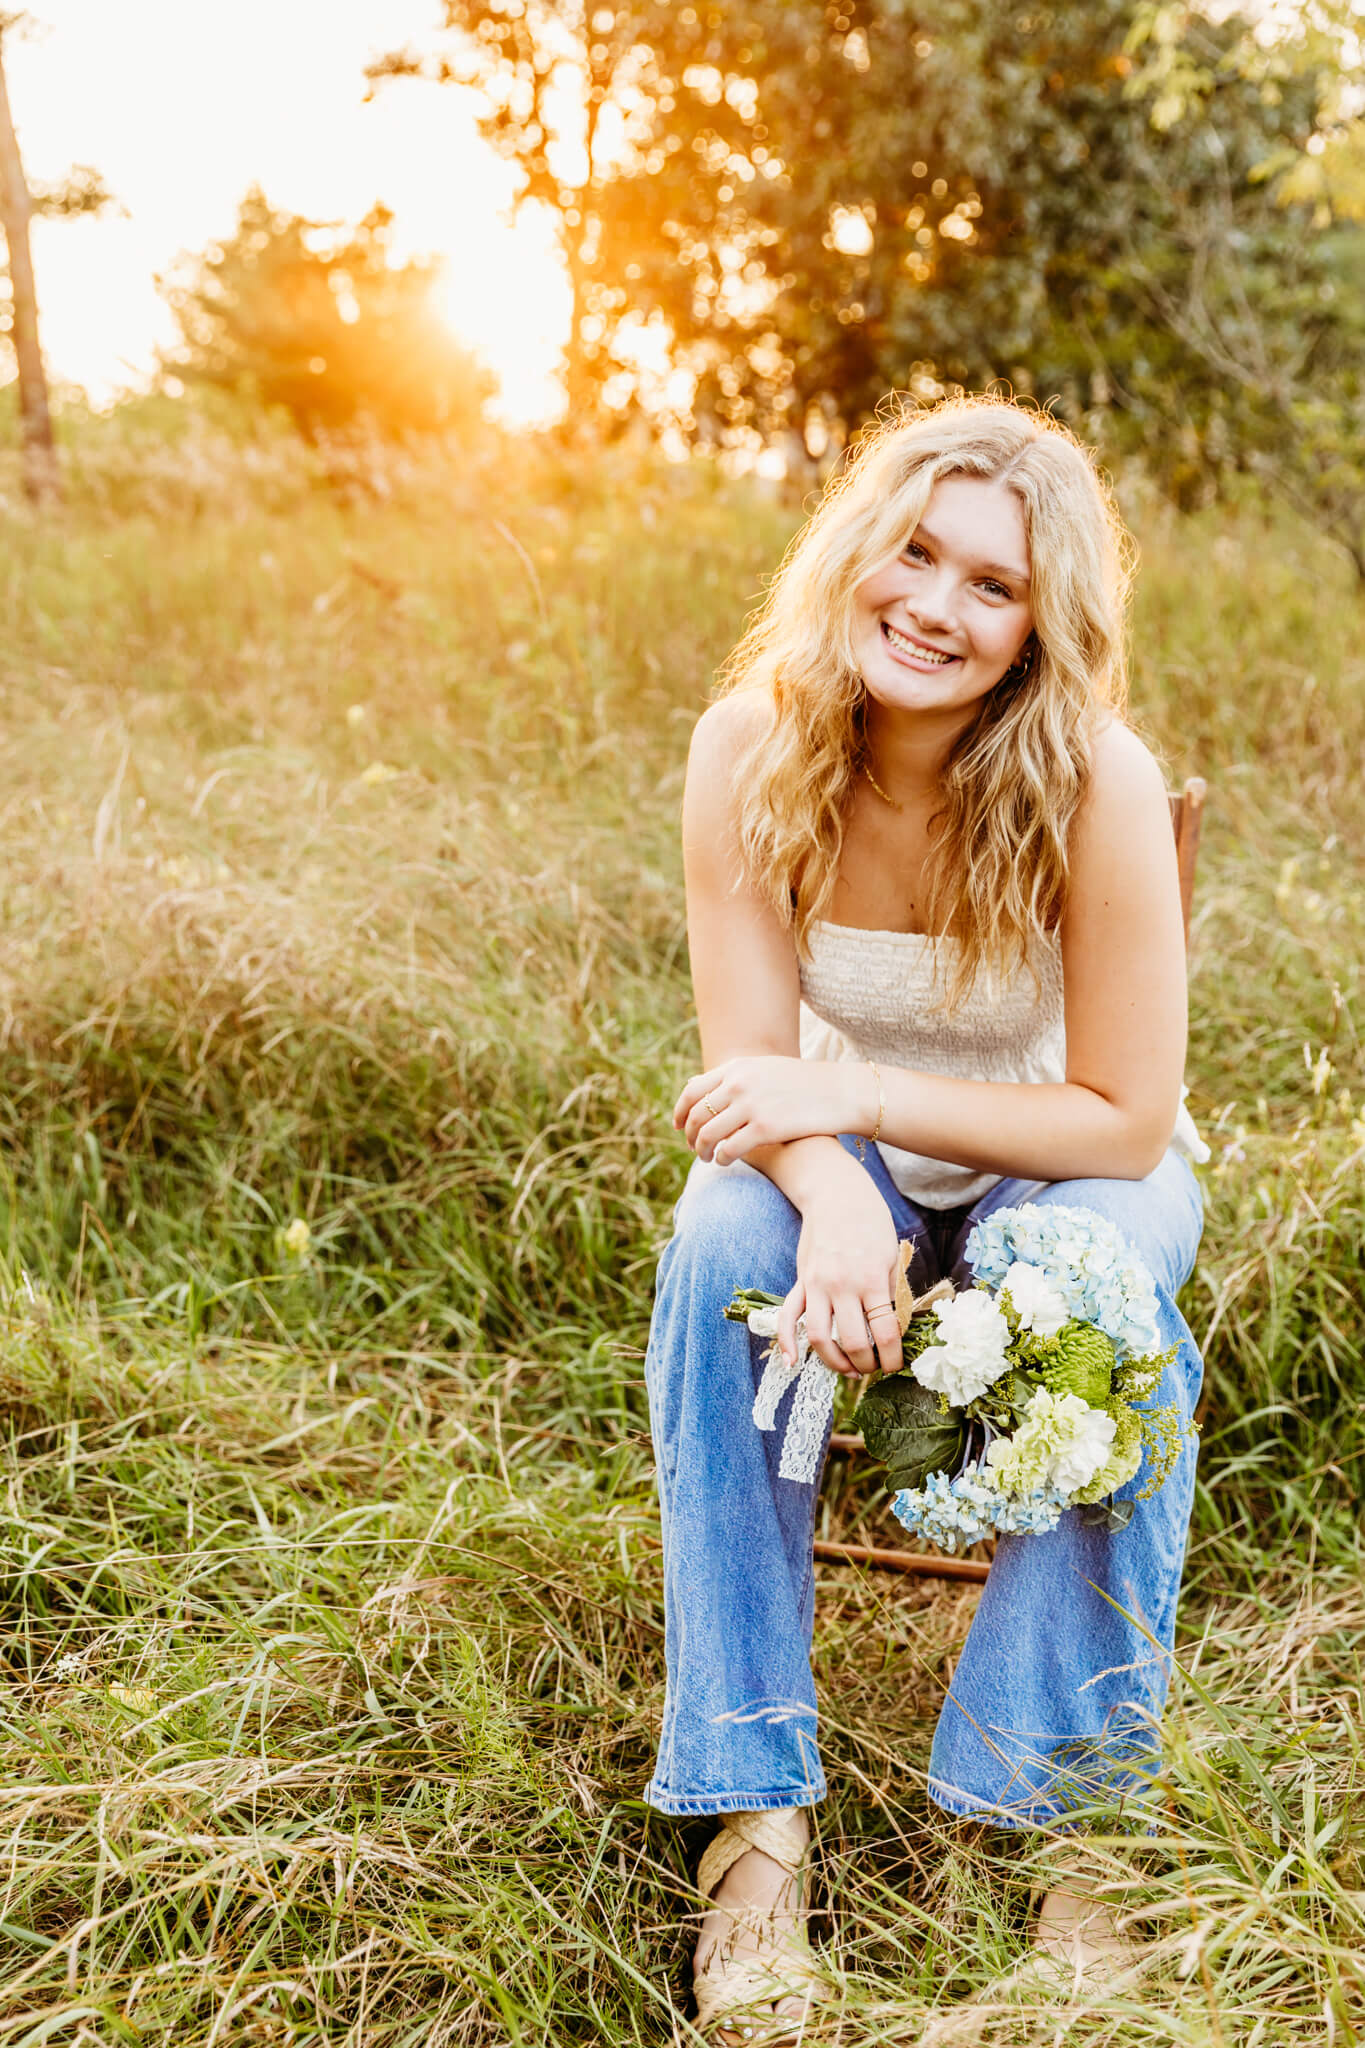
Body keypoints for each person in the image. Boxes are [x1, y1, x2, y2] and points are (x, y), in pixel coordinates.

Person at [642, 396, 1208, 2042]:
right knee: (721, 1252)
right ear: (853, 552)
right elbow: (751, 1066)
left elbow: (1122, 1112)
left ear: (1040, 628)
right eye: (914, 552)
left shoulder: (1093, 777)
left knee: (1093, 1282)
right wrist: (827, 1201)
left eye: (991, 586)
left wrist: (861, 1104)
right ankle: (754, 1821)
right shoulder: (748, 746)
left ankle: (1066, 1822)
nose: (936, 606)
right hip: (835, 1149)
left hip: (1062, 1144)